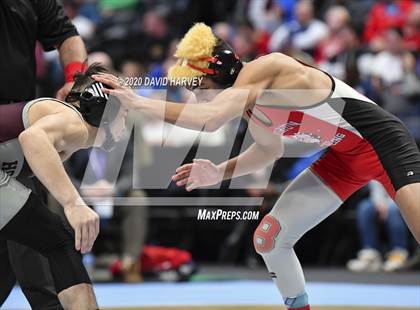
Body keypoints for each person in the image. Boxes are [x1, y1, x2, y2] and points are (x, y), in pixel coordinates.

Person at [94, 23, 420, 310]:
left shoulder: (266, 68)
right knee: (270, 238)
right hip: (344, 159)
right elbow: (269, 150)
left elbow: (210, 120)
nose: (196, 97)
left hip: (383, 142)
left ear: (217, 74)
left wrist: (136, 100)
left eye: (199, 87)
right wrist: (220, 171)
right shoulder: (252, 104)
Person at [0, 63, 127, 309]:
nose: (124, 127)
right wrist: (73, 204)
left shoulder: (64, 125)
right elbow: (32, 138)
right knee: (57, 240)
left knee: (6, 260)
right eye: (123, 115)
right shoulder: (75, 123)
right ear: (103, 110)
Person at [0, 0, 89, 308]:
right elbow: (34, 140)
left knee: (22, 254)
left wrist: (74, 76)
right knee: (51, 243)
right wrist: (73, 203)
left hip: (15, 137)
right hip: (16, 138)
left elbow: (67, 35)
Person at [347, 181, 409, 273]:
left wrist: (389, 203)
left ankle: (398, 253)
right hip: (381, 200)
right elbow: (375, 185)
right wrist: (379, 204)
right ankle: (371, 254)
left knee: (393, 210)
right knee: (364, 208)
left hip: (402, 198)